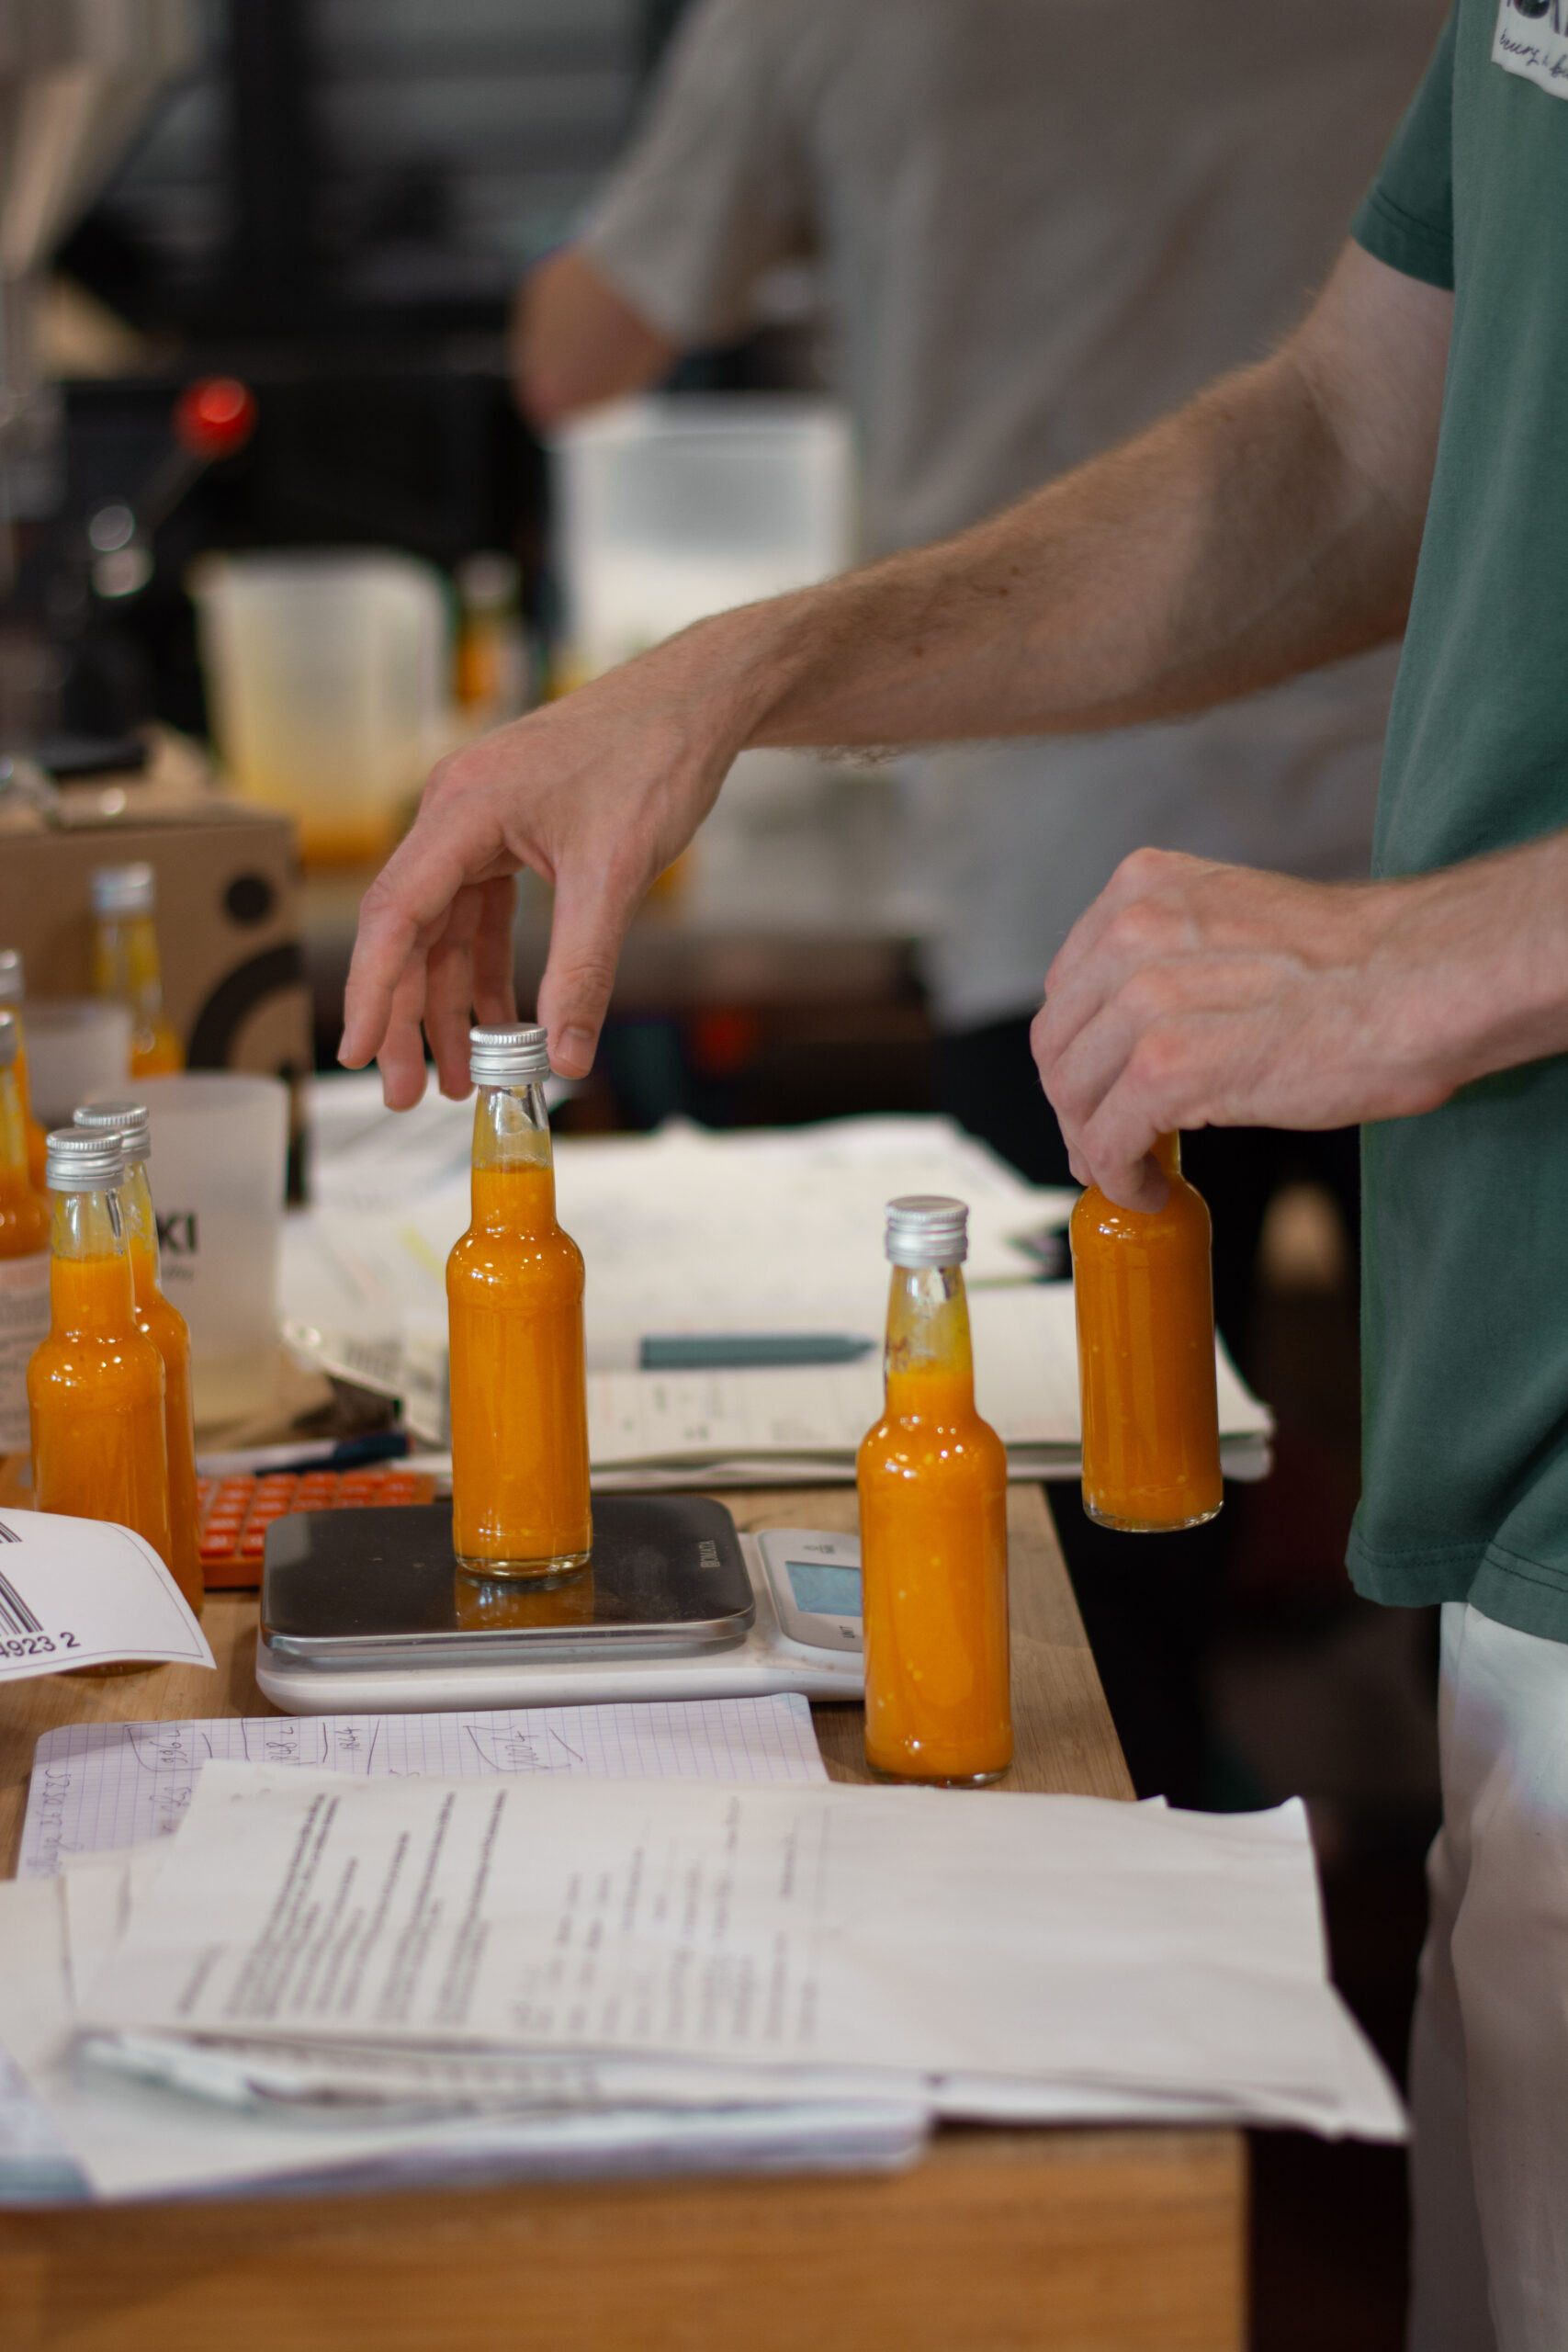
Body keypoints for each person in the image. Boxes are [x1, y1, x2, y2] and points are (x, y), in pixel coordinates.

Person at [345, 5, 1568, 2335]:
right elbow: (1342, 444)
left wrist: (1437, 951)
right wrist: (737, 669)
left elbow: (578, 337)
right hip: (1510, 1460)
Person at [513, 0, 1442, 1371]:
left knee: (1099, 1483)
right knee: (1451, 1493)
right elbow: (1347, 438)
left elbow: (573, 353)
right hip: (1424, 814)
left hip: (1092, 873)